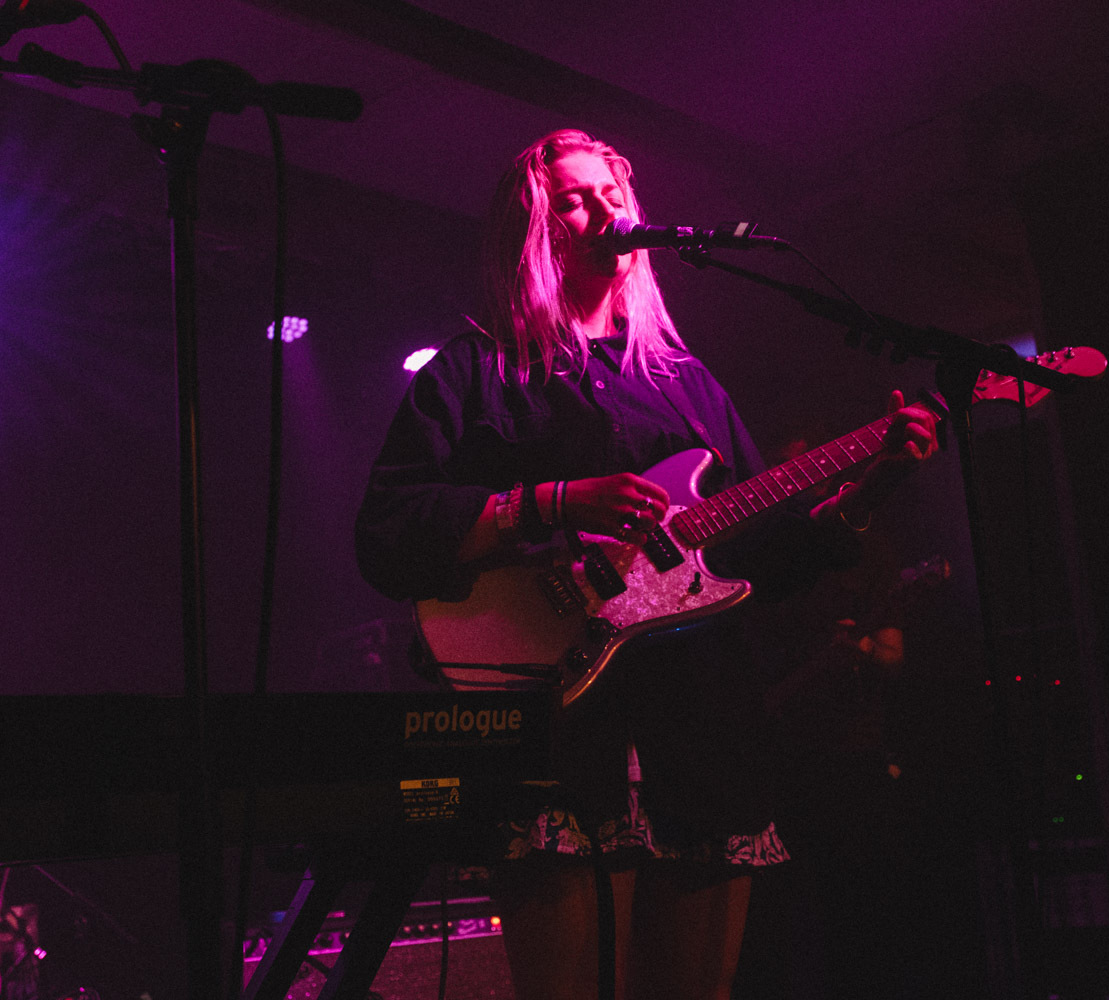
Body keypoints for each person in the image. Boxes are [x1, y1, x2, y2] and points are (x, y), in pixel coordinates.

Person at [354, 129, 938, 1000]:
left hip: (698, 741)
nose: (604, 211)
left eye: (611, 193)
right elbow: (388, 532)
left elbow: (748, 564)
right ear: (532, 231)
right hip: (556, 732)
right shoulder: (475, 374)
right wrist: (554, 501)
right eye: (575, 200)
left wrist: (866, 490)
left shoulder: (688, 384)